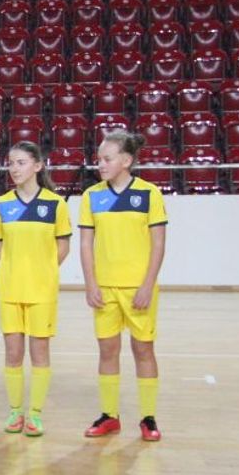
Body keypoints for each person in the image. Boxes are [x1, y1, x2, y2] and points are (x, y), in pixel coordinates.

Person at [79, 131, 168, 442]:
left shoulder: (149, 194)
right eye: (99, 159)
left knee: (143, 349)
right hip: (104, 289)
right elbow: (86, 244)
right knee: (107, 350)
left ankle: (148, 418)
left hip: (138, 289)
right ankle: (109, 415)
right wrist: (90, 283)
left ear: (126, 160)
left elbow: (158, 244)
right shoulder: (91, 196)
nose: (100, 164)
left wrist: (147, 285)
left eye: (107, 159)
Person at [0, 141, 71, 437]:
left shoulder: (55, 204)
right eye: (11, 163)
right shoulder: (0, 206)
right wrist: (15, 270)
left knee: (39, 352)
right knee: (13, 353)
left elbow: (63, 246)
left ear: (37, 165)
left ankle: (35, 414)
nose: (14, 168)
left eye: (21, 162)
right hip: (9, 290)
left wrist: (43, 270)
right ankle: (15, 411)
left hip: (42, 291)